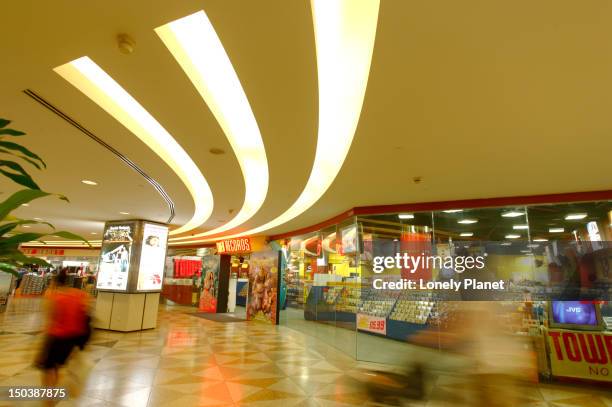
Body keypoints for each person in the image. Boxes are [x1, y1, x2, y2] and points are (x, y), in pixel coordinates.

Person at [37, 268, 90, 392]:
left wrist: (41, 345)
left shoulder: (54, 297)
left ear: (54, 283)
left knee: (48, 370)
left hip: (57, 337)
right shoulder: (79, 294)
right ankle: (65, 384)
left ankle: (48, 398)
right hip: (73, 337)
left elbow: (50, 320)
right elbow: (86, 315)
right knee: (59, 365)